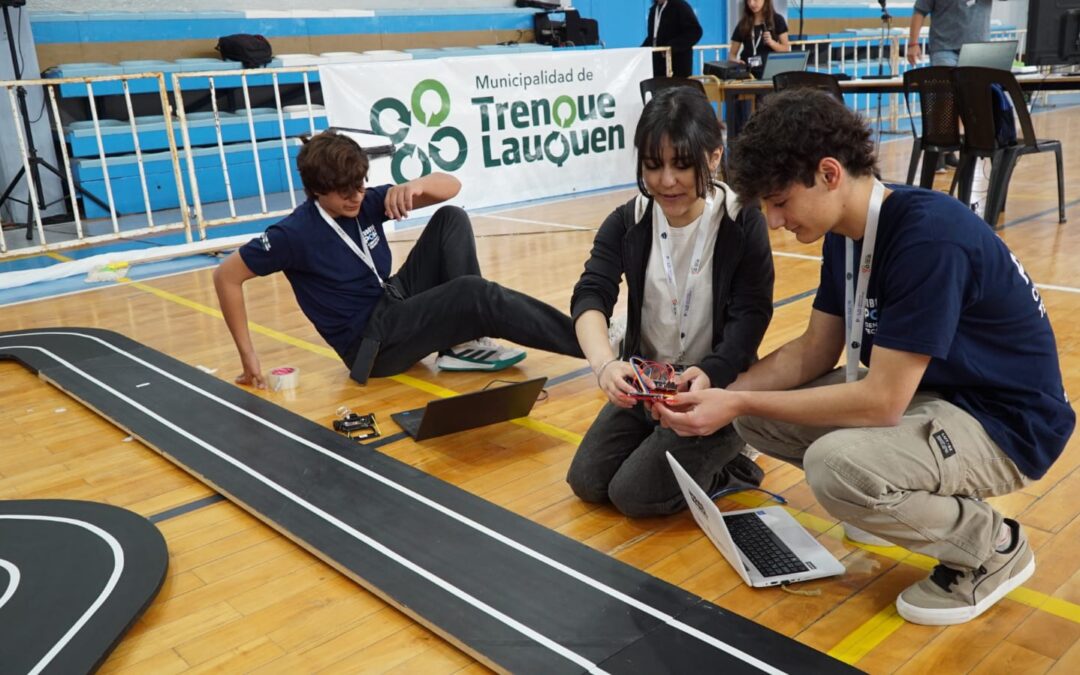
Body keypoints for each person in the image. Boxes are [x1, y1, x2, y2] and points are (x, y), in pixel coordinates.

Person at [655, 89, 1074, 625]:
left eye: (780, 202)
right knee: (757, 411)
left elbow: (881, 403)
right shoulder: (848, 232)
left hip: (1006, 423)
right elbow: (813, 349)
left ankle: (993, 547)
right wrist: (725, 392)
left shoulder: (929, 238)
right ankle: (886, 493)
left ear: (830, 173)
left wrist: (733, 403)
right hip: (938, 393)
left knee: (835, 467)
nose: (775, 220)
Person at [214, 129, 583, 388]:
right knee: (473, 293)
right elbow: (226, 277)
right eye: (344, 193)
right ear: (316, 191)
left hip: (391, 300)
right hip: (372, 346)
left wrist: (416, 185)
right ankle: (590, 343)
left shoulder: (366, 200)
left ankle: (461, 347)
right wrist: (248, 357)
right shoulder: (292, 235)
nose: (356, 198)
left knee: (450, 219)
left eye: (359, 185)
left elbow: (451, 187)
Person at [567, 87, 775, 518]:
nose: (665, 181)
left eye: (682, 165)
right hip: (648, 386)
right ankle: (668, 448)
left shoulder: (742, 221)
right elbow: (591, 294)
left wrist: (711, 373)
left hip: (714, 387)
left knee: (635, 495)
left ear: (714, 157)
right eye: (652, 165)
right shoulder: (629, 220)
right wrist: (606, 366)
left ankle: (735, 457)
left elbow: (750, 318)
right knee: (587, 482)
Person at [907, 0, 993, 68]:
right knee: (947, 86)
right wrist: (913, 43)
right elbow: (920, 10)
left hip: (978, 49)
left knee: (976, 88)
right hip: (943, 48)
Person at [729, 0, 791, 80]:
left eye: (755, 0)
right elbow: (732, 55)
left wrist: (772, 43)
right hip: (747, 75)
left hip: (769, 73)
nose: (751, 3)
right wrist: (735, 61)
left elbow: (786, 49)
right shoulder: (743, 23)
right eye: (748, 1)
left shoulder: (777, 20)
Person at [642, 0, 704, 78]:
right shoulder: (653, 10)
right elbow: (653, 37)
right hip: (658, 68)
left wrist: (672, 46)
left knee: (677, 88)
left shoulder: (680, 6)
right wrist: (640, 51)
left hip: (678, 65)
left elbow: (695, 31)